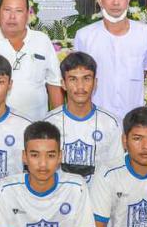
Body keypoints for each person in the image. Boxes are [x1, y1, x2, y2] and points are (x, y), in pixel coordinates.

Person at [74, 0, 147, 121]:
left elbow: (145, 70)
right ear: (99, 0)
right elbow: (80, 75)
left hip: (134, 117)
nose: (115, 2)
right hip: (96, 116)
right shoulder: (84, 36)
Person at [44, 52, 123, 180]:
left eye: (86, 78)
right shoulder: (49, 123)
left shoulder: (111, 124)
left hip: (99, 192)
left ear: (95, 83)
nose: (80, 86)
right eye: (73, 79)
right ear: (63, 84)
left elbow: (116, 172)